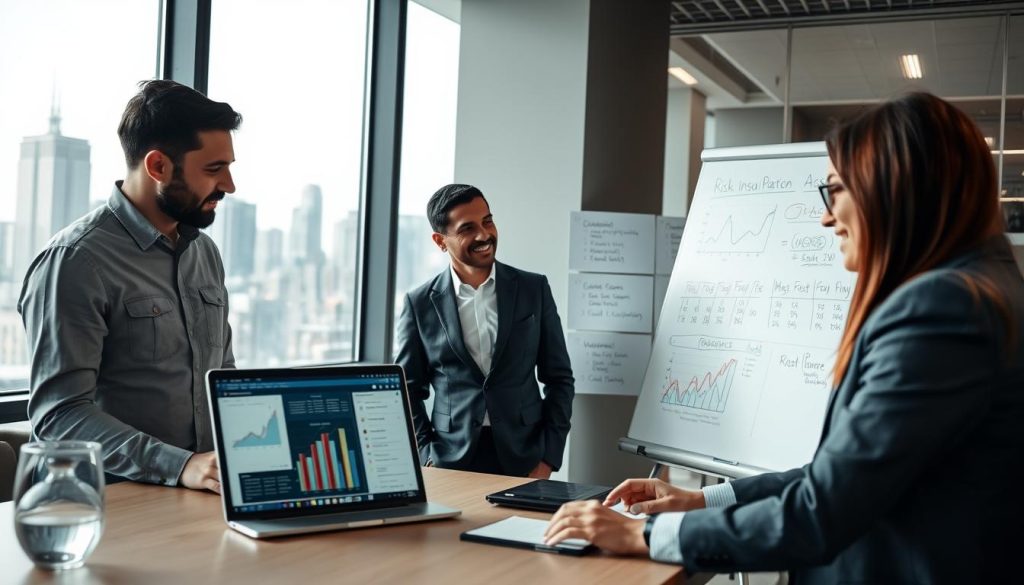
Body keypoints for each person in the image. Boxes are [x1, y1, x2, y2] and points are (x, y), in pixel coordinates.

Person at [544, 92, 1024, 583]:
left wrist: (644, 535)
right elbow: (843, 477)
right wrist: (702, 499)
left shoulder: (943, 309)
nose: (826, 217)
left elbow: (824, 510)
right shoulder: (981, 289)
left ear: (891, 188)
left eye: (835, 191)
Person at [18, 80, 241, 493]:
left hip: (197, 496)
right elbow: (59, 416)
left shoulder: (204, 252)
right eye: (214, 169)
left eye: (228, 167)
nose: (229, 185)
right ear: (158, 167)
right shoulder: (75, 260)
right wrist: (180, 466)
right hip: (103, 501)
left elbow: (221, 377)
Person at [395, 184, 574, 477]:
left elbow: (559, 379)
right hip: (450, 461)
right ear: (440, 241)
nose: (483, 235)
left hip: (524, 457)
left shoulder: (533, 289)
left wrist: (548, 458)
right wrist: (426, 455)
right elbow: (406, 391)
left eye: (487, 221)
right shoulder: (419, 304)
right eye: (467, 228)